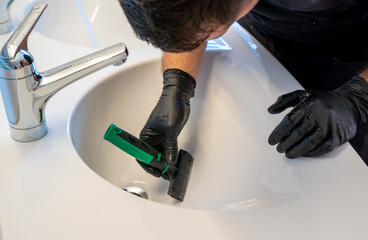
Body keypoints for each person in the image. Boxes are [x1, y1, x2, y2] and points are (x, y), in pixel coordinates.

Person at [119, 0, 368, 175]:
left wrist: (358, 98)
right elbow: (191, 17)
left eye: (209, 33)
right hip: (272, 35)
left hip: (353, 52)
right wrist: (177, 82)